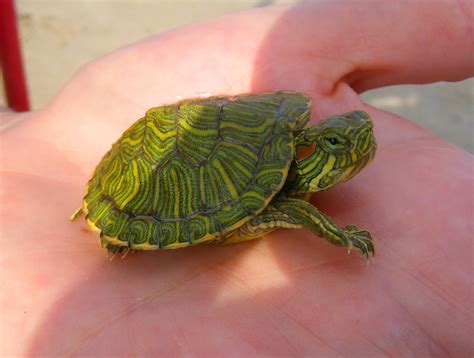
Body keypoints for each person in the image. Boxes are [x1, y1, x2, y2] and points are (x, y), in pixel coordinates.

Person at [1, 0, 472, 355]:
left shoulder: (286, 157)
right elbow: (294, 206)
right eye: (332, 144)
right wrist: (339, 233)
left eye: (339, 139)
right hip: (146, 180)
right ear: (308, 151)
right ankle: (115, 222)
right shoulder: (282, 193)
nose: (352, 140)